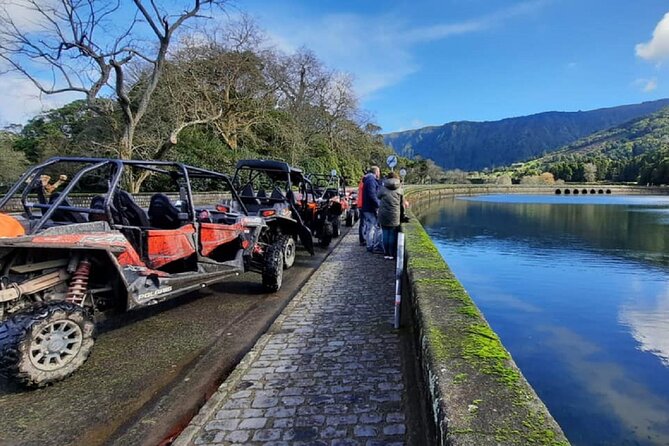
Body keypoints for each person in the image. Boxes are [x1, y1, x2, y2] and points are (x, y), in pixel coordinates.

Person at [377, 172, 405, 260]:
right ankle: (392, 254)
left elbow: (378, 196)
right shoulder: (400, 189)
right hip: (395, 214)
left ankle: (386, 253)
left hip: (384, 214)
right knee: (392, 234)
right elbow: (402, 203)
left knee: (385, 233)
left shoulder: (383, 188)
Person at [360, 166, 382, 252]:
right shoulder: (371, 180)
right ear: (376, 172)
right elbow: (372, 195)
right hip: (370, 208)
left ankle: (370, 246)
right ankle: (374, 246)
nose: (379, 174)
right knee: (374, 227)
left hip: (367, 207)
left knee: (370, 227)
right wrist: (378, 205)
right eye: (379, 172)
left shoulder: (368, 179)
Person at [356, 174, 366, 245]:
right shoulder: (366, 183)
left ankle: (362, 239)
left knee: (362, 223)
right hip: (363, 204)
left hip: (360, 204)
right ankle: (362, 239)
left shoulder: (361, 183)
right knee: (364, 223)